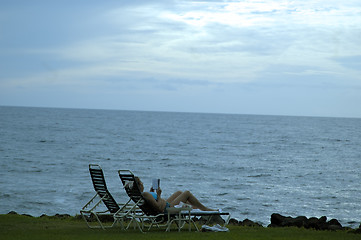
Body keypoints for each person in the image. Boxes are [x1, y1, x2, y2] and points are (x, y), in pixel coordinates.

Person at [134, 176, 216, 214]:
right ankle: (204, 209)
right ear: (139, 185)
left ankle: (196, 209)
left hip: (166, 204)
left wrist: (153, 193)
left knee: (179, 193)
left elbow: (153, 203)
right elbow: (159, 208)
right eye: (141, 183)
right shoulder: (145, 194)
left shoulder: (144, 194)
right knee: (187, 193)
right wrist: (158, 195)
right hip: (167, 208)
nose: (143, 184)